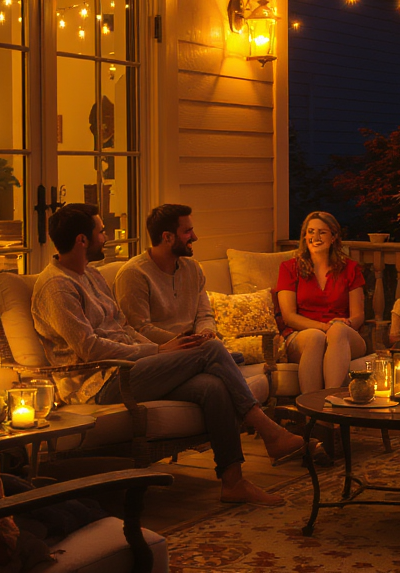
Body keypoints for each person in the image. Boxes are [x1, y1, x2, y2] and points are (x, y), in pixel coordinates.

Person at [31, 203, 310, 506]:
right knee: (212, 349)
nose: (107, 236)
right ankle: (270, 431)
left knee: (213, 387)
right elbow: (90, 349)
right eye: (101, 231)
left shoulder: (91, 275)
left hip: (130, 367)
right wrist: (158, 350)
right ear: (82, 241)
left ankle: (233, 482)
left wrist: (161, 353)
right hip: (99, 383)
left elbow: (123, 327)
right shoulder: (57, 287)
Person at [276, 211, 367, 394]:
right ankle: (313, 411)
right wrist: (323, 327)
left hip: (343, 337)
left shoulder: (350, 268)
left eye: (322, 232)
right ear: (304, 236)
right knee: (315, 337)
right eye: (311, 232)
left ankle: (329, 403)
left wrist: (345, 324)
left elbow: (358, 315)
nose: (315, 237)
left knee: (338, 330)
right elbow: (289, 317)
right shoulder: (289, 268)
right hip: (302, 334)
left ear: (333, 237)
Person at [114, 204, 217, 344]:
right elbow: (139, 329)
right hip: (160, 352)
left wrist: (206, 333)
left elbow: (204, 315)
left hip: (196, 348)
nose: (194, 237)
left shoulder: (193, 268)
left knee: (228, 353)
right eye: (187, 231)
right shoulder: (133, 274)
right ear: (167, 237)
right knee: (223, 356)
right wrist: (185, 342)